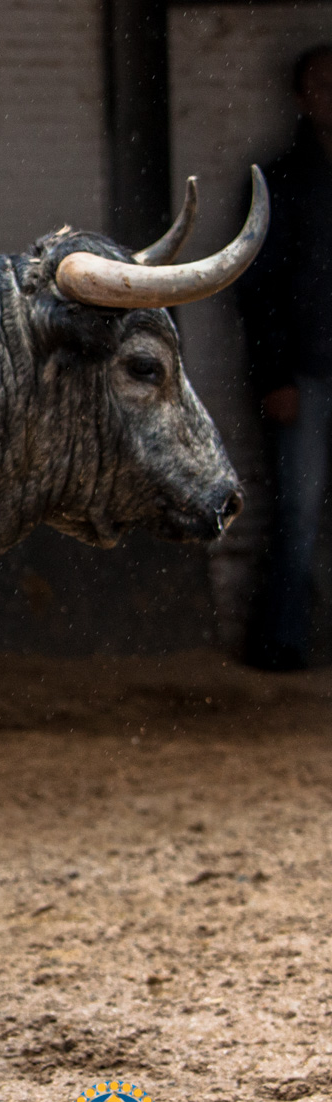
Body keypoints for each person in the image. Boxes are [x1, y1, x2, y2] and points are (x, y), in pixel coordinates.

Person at [240, 44, 332, 671]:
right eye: (322, 85)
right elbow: (260, 291)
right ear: (302, 98)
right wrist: (274, 375)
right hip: (307, 372)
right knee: (297, 513)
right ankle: (282, 646)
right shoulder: (283, 179)